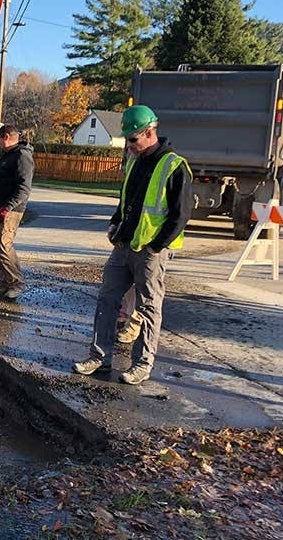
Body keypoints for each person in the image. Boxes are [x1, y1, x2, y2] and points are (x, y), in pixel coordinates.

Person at [73, 105, 192, 385]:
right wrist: (115, 223)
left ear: (150, 132)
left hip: (150, 251)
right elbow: (125, 200)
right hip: (124, 245)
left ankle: (142, 364)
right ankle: (99, 357)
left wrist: (156, 247)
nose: (129, 146)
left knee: (149, 306)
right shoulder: (135, 161)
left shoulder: (174, 166)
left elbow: (180, 214)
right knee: (106, 299)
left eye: (133, 140)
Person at [0, 124, 33, 301]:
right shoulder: (9, 156)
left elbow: (24, 188)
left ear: (5, 137)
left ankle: (17, 283)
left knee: (4, 247)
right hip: (0, 207)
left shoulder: (22, 156)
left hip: (10, 210)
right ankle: (4, 282)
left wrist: (8, 207)